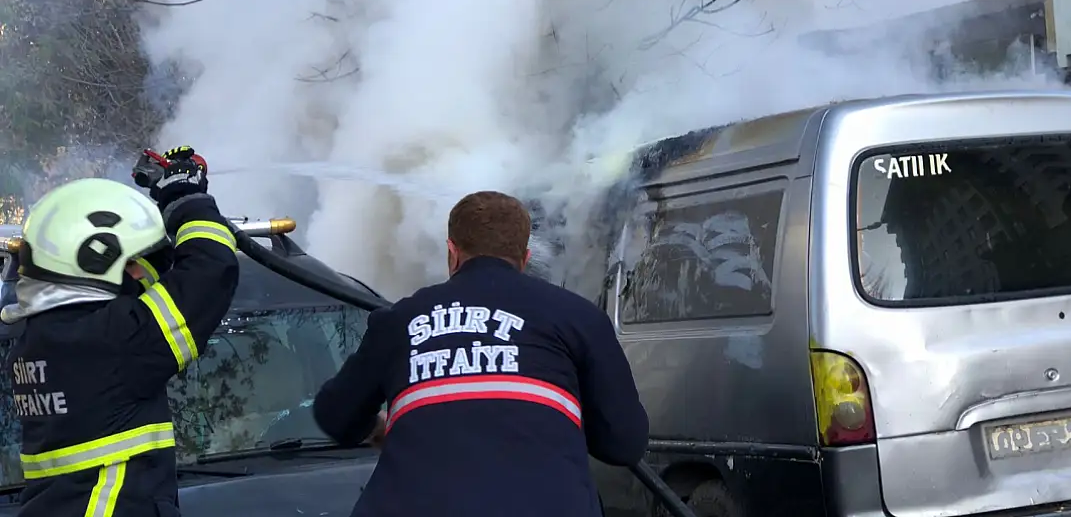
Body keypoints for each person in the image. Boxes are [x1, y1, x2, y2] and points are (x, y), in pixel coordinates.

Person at [313, 190, 649, 517]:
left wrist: (377, 427)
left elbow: (335, 416)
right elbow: (624, 444)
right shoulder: (580, 318)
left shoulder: (399, 320)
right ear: (525, 258)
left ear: (452, 253)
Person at [2, 146, 241, 517]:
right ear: (89, 260)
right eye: (132, 262)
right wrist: (187, 200)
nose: (142, 273)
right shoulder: (112, 342)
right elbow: (210, 272)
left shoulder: (39, 340)